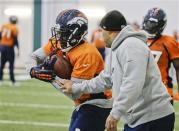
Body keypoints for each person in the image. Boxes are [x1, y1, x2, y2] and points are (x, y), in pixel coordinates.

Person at [57, 10, 175, 131]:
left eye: (102, 32)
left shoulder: (131, 46)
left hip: (152, 117)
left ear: (110, 32)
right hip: (140, 118)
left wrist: (115, 114)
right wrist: (76, 87)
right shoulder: (117, 48)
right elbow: (105, 79)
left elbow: (133, 84)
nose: (101, 37)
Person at [27, 9, 112, 131]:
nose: (59, 36)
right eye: (59, 32)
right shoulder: (58, 43)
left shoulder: (87, 53)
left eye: (64, 32)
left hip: (98, 104)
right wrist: (33, 71)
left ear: (76, 32)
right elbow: (32, 57)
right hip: (82, 104)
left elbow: (75, 92)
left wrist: (51, 78)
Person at [142, 7, 179, 102]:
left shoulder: (169, 42)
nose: (150, 26)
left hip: (163, 91)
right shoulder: (136, 39)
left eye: (153, 24)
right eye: (148, 22)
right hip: (140, 90)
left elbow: (178, 67)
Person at [0, 16, 19, 86]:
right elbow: (15, 39)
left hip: (2, 47)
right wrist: (17, 48)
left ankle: (0, 79)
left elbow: (0, 36)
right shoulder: (14, 28)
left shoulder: (4, 26)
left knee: (2, 64)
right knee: (11, 65)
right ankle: (12, 81)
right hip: (9, 48)